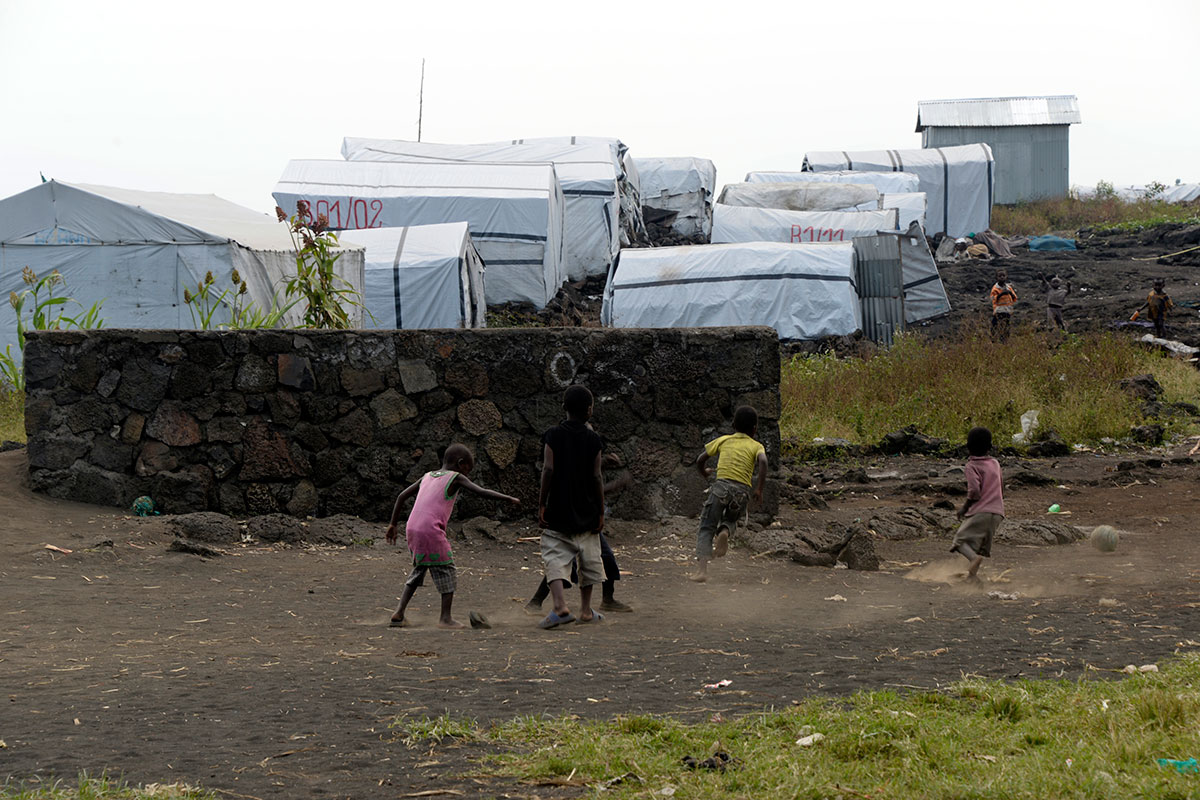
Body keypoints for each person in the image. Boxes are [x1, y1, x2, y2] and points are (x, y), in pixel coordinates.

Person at [385, 444, 519, 629]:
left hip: (412, 528)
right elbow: (481, 491)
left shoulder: (427, 476)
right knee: (447, 569)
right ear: (460, 463)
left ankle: (399, 612)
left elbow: (401, 496)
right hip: (431, 529)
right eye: (468, 469)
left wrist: (392, 524)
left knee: (419, 568)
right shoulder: (455, 477)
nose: (467, 474)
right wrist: (508, 498)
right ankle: (445, 618)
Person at [525, 442, 633, 615]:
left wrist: (604, 462)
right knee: (565, 563)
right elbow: (590, 490)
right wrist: (616, 484)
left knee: (602, 558)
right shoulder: (569, 462)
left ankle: (607, 600)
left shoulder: (569, 456)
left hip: (583, 520)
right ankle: (538, 602)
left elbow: (586, 469)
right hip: (576, 521)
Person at [538, 385, 606, 629]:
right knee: (589, 557)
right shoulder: (594, 439)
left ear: (563, 407)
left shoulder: (553, 435)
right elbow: (597, 476)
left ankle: (560, 606)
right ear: (589, 411)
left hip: (559, 507)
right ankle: (586, 610)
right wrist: (601, 510)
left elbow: (548, 469)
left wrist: (542, 503)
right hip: (588, 510)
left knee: (554, 554)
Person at [689, 405, 767, 583]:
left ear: (733, 425)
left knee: (707, 526)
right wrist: (759, 489)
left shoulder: (724, 440)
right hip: (741, 492)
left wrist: (704, 472)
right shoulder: (756, 446)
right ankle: (724, 532)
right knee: (731, 520)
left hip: (721, 488)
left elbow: (700, 459)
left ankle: (702, 571)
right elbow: (763, 461)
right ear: (754, 429)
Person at [952, 427, 1004, 580]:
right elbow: (1001, 485)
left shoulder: (971, 466)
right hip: (998, 513)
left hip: (981, 512)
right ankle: (972, 578)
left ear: (968, 447)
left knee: (959, 541)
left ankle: (973, 560)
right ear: (990, 447)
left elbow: (974, 491)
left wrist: (964, 508)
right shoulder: (995, 463)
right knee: (978, 546)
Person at [990, 269, 1017, 341]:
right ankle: (993, 339)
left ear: (1006, 277)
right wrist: (1001, 294)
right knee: (995, 325)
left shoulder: (1009, 287)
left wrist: (1010, 293)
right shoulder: (995, 288)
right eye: (1000, 276)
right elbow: (993, 298)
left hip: (1007, 310)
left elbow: (1014, 298)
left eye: (1003, 276)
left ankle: (1004, 339)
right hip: (998, 311)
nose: (1002, 277)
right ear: (996, 278)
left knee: (1006, 325)